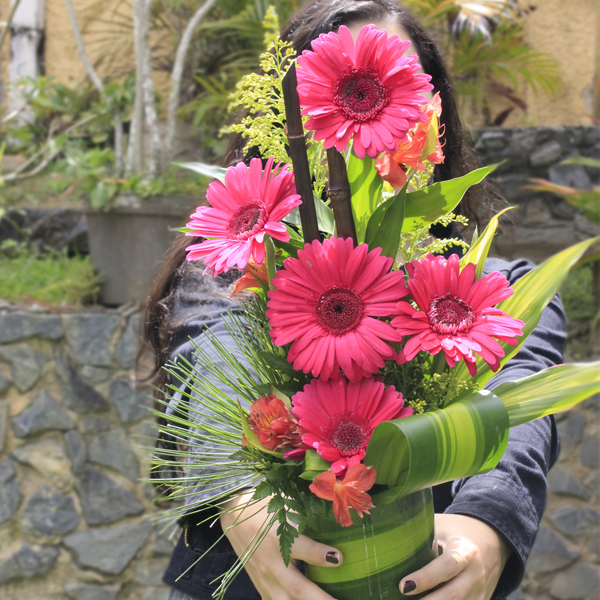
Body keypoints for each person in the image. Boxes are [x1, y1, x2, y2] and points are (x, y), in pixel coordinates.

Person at [144, 2, 566, 599]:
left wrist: (487, 527)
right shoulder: (233, 274)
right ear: (295, 112)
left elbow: (520, 407)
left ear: (434, 112)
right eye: (335, 78)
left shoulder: (500, 290)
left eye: (398, 77)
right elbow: (212, 363)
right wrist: (244, 499)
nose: (370, 95)